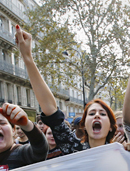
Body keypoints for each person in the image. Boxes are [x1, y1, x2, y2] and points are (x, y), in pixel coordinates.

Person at [15, 25, 115, 153]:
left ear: (111, 126)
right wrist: (27, 57)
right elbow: (51, 111)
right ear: (84, 125)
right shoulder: (73, 148)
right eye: (91, 114)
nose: (96, 116)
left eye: (102, 114)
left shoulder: (123, 154)